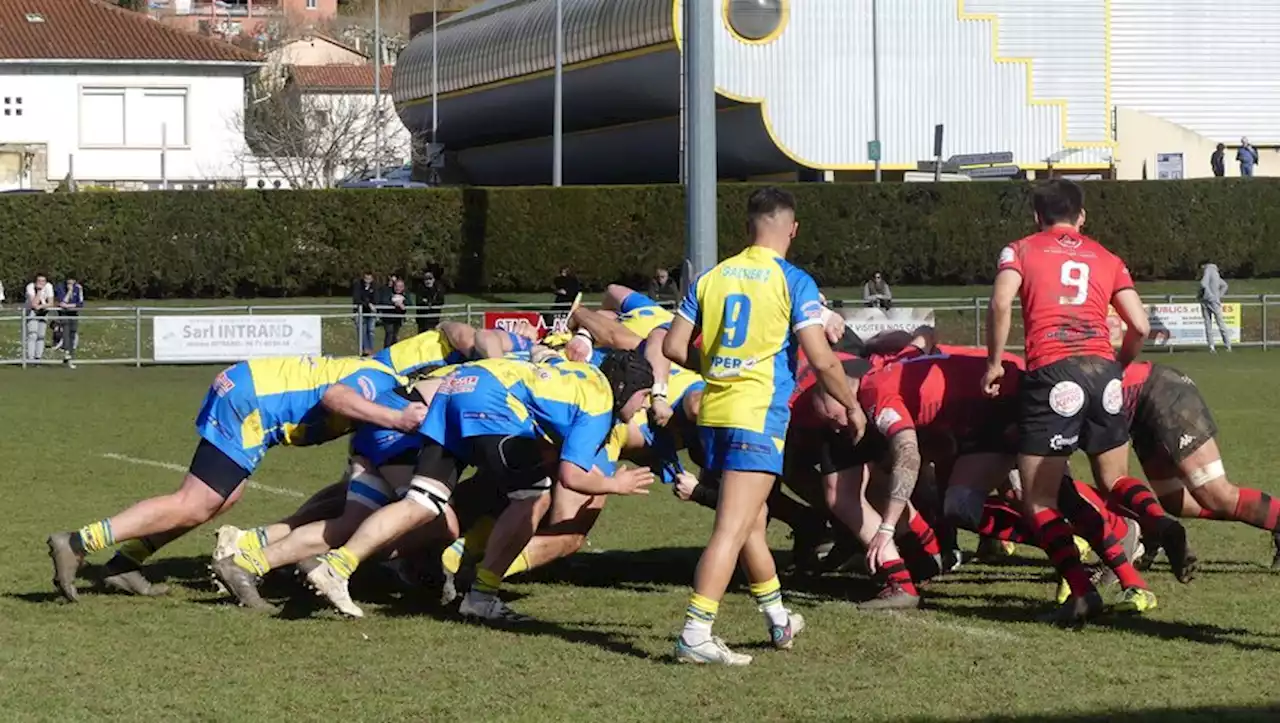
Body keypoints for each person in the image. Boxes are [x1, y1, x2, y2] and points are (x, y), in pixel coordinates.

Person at [662, 187, 865, 665]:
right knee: (732, 527)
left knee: (752, 523)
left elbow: (673, 347)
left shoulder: (712, 277)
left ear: (748, 226)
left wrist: (718, 363)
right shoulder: (792, 280)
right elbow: (821, 358)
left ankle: (777, 618)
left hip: (714, 416)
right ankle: (695, 630)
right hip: (757, 416)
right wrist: (852, 405)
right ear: (792, 228)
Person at [299, 355, 655, 620]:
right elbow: (572, 477)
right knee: (534, 495)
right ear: (625, 388)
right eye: (645, 395)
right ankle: (482, 596)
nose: (645, 405)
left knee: (423, 501)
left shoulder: (585, 375)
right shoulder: (600, 402)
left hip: (456, 386)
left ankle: (337, 567)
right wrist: (614, 484)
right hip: (490, 399)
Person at [45, 356, 425, 603]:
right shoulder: (384, 384)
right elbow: (335, 397)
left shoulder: (385, 377)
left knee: (223, 498)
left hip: (250, 392)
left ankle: (124, 563)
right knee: (195, 501)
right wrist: (395, 420)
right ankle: (78, 542)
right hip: (250, 402)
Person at [982, 179, 1183, 626]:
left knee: (1038, 498)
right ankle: (1158, 521)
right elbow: (1140, 325)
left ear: (1037, 217)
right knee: (1113, 482)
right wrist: (1118, 364)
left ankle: (1082, 590)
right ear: (1082, 216)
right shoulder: (1107, 257)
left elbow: (1000, 304)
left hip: (1054, 373)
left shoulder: (1020, 249)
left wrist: (995, 363)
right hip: (1102, 371)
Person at [1197, 263, 1232, 353]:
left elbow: (1203, 284)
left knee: (1208, 325)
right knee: (1221, 323)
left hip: (1207, 301)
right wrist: (1218, 296)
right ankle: (1228, 345)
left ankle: (1211, 346)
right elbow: (1224, 285)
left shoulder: (1208, 270)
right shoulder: (1216, 273)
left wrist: (1209, 296)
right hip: (1215, 302)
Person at [54, 274, 84, 368]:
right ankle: (66, 352)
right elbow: (62, 302)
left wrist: (70, 306)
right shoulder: (60, 287)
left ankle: (70, 356)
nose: (70, 284)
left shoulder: (78, 288)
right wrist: (69, 292)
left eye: (72, 283)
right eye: (68, 283)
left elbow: (80, 303)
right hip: (63, 314)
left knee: (73, 333)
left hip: (74, 314)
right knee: (66, 332)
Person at [24, 272, 54, 362]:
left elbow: (51, 303)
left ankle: (38, 357)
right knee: (32, 334)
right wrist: (39, 291)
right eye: (39, 281)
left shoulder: (49, 286)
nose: (41, 283)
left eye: (43, 281)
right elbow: (33, 303)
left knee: (41, 335)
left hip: (43, 311)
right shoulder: (30, 287)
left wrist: (41, 307)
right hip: (31, 312)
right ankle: (30, 358)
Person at [380, 278, 412, 348]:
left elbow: (409, 303)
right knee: (389, 334)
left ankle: (393, 352)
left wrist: (403, 303)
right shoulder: (388, 292)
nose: (398, 288)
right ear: (394, 286)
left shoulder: (405, 294)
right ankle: (386, 351)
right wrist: (394, 303)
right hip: (388, 318)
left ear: (403, 287)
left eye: (400, 287)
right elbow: (383, 301)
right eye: (396, 286)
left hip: (398, 319)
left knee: (395, 335)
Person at [352, 272, 378, 356]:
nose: (367, 281)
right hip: (360, 312)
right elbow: (357, 299)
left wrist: (371, 303)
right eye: (366, 278)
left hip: (370, 313)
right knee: (362, 331)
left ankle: (371, 349)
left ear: (372, 279)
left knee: (371, 331)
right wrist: (368, 303)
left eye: (369, 279)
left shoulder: (375, 286)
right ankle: (365, 350)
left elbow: (376, 298)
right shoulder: (358, 285)